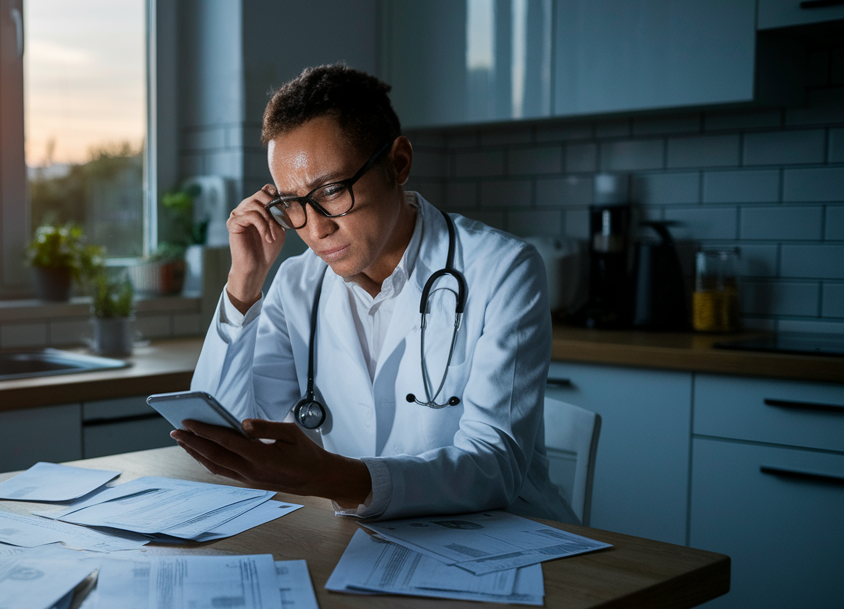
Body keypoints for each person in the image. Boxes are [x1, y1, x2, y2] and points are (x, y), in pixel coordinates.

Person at [170, 64, 575, 523]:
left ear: (398, 163)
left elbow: (495, 466)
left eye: (333, 190)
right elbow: (217, 433)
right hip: (367, 544)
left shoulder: (502, 268)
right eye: (293, 205)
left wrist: (335, 479)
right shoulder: (296, 284)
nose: (316, 227)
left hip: (506, 542)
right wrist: (243, 284)